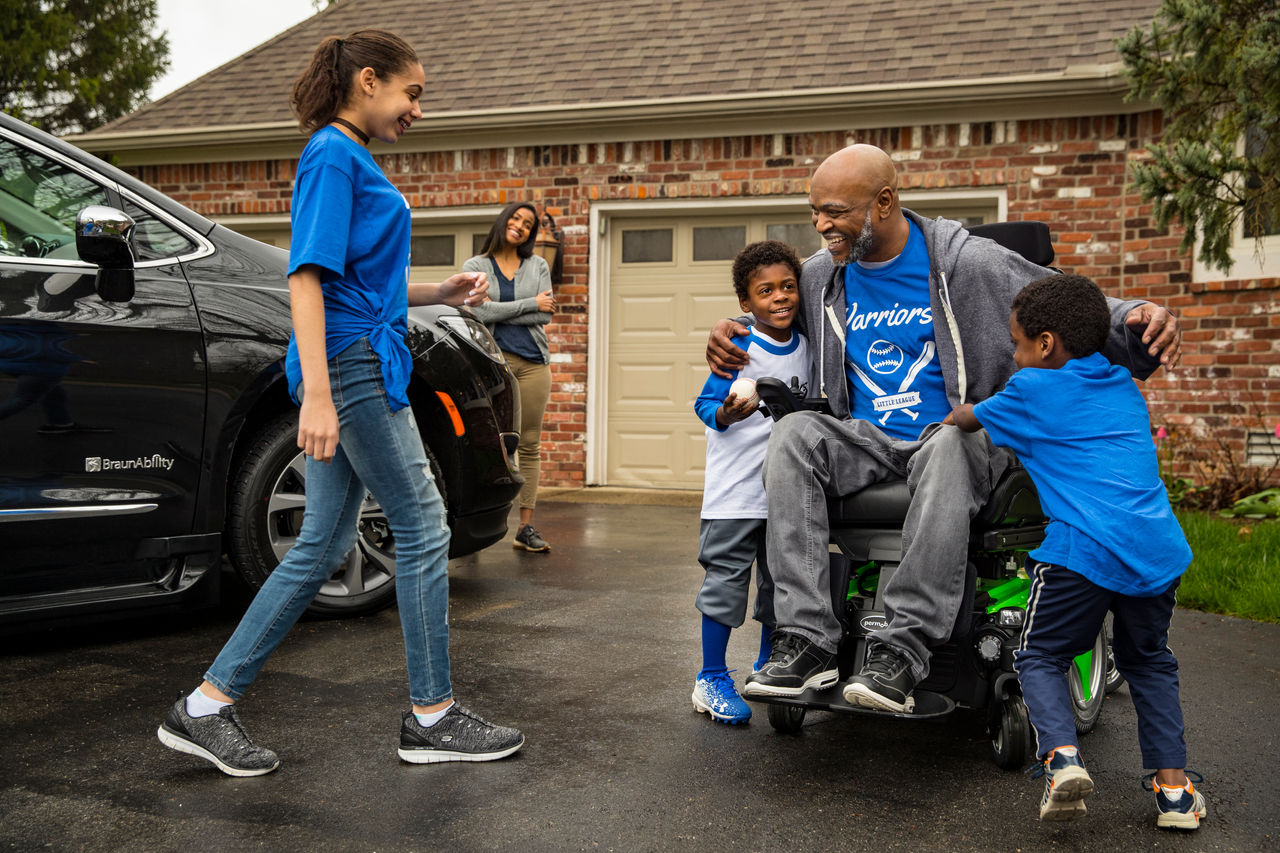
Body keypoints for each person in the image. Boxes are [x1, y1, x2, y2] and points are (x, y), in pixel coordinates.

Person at [156, 29, 524, 776]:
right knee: (424, 525)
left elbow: (358, 281)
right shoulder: (332, 154)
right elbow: (305, 278)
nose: (417, 108)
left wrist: (436, 291)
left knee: (321, 543)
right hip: (350, 367)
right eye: (411, 92)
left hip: (359, 356)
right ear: (367, 80)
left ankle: (204, 706)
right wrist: (317, 396)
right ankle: (432, 715)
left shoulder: (351, 158)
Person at [705, 143, 1182, 713]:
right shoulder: (820, 277)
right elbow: (768, 316)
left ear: (883, 202)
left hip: (957, 435)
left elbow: (1068, 304)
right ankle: (806, 639)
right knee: (793, 435)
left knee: (952, 442)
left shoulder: (967, 263)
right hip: (868, 439)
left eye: (833, 211)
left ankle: (903, 650)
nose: (820, 224)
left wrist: (1133, 316)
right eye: (814, 211)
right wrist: (729, 327)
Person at [946, 273, 1205, 830]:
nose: (1014, 356)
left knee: (1039, 656)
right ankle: (1176, 794)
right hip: (1155, 553)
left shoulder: (1030, 391)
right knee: (1151, 665)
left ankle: (1062, 760)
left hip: (1081, 554)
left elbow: (970, 420)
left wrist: (950, 417)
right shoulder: (1120, 381)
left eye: (1017, 344)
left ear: (1045, 345)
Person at [691, 241, 812, 725]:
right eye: (766, 290)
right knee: (725, 584)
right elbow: (704, 405)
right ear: (746, 303)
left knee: (779, 587)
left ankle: (769, 665)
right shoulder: (740, 344)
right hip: (736, 493)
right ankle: (711, 677)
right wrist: (726, 411)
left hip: (784, 493)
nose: (780, 297)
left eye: (787, 286)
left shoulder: (807, 345)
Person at [464, 203, 556, 553]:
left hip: (533, 364)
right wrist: (530, 303)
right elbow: (478, 311)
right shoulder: (476, 266)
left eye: (528, 224)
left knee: (529, 444)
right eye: (516, 218)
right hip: (491, 364)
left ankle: (526, 527)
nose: (520, 225)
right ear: (504, 221)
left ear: (531, 233)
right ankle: (472, 526)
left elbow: (545, 318)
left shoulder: (538, 265)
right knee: (485, 443)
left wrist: (501, 312)